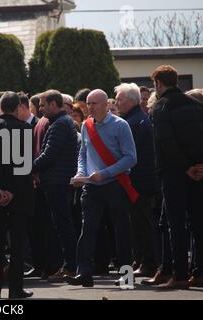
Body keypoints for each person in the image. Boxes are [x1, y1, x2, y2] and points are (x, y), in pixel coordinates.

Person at [65, 89, 137, 287]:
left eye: (94, 103)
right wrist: (81, 172)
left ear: (106, 105)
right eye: (88, 103)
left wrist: (104, 173)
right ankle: (84, 273)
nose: (90, 107)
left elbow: (131, 158)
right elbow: (83, 153)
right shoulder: (87, 126)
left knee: (121, 231)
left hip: (115, 184)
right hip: (92, 187)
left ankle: (127, 277)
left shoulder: (121, 125)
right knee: (87, 229)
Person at [0, 91, 35, 299]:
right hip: (18, 196)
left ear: (1, 106)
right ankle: (15, 290)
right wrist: (12, 191)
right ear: (18, 106)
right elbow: (24, 167)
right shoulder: (25, 129)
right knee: (17, 245)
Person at [150, 65, 203, 289]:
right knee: (199, 223)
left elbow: (166, 143)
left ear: (159, 84)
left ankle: (180, 275)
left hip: (174, 173)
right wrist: (198, 166)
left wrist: (185, 167)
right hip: (199, 172)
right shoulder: (196, 105)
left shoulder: (161, 107)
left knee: (176, 224)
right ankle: (199, 272)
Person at [33, 90, 78, 282]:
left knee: (63, 226)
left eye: (43, 105)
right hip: (56, 181)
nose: (40, 108)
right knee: (60, 225)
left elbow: (49, 155)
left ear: (54, 104)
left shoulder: (60, 124)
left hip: (57, 182)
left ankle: (70, 266)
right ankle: (68, 264)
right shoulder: (60, 122)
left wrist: (26, 169)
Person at [115, 83, 160, 277]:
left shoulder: (133, 122)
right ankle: (141, 260)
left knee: (142, 225)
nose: (116, 102)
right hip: (138, 180)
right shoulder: (133, 120)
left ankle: (148, 263)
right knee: (137, 224)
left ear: (132, 100)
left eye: (120, 99)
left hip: (139, 182)